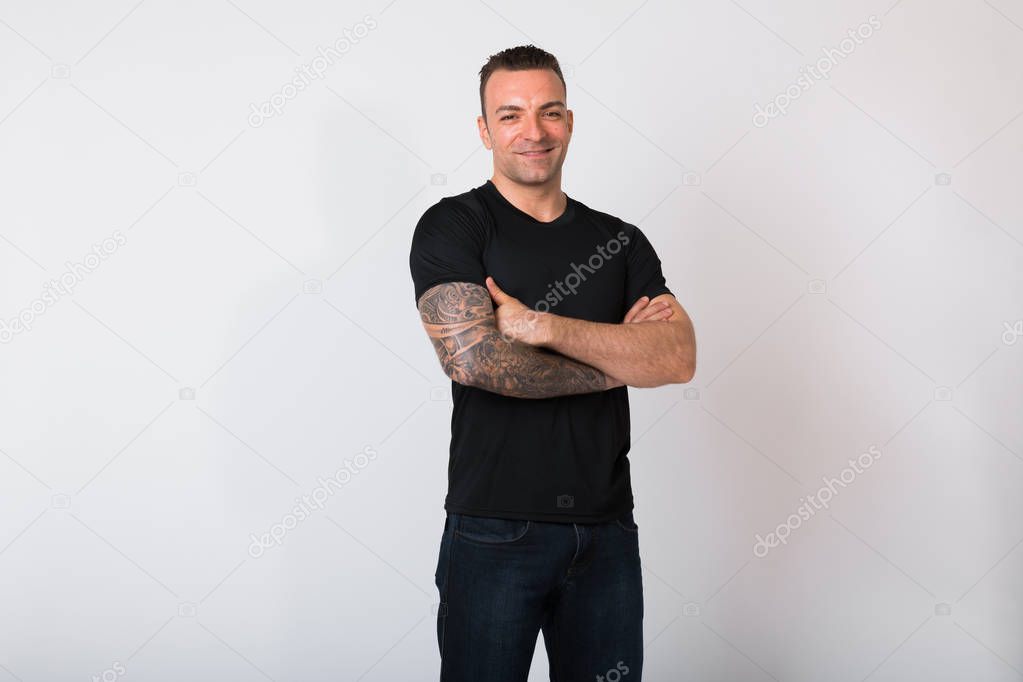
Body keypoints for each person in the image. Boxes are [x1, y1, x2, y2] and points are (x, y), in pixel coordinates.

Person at [408, 44, 696, 682]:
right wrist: (618, 359)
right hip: (493, 529)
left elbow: (676, 356)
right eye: (510, 115)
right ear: (484, 130)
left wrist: (540, 326)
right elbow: (476, 359)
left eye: (550, 111)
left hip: (606, 531)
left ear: (570, 121)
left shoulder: (618, 240)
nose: (533, 131)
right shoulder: (455, 226)